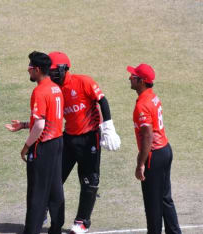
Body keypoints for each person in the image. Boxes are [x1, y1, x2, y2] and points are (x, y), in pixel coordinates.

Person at [48, 51, 121, 233]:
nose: (51, 74)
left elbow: (102, 101)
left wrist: (108, 127)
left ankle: (82, 222)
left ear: (64, 69)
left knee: (90, 181)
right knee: (54, 179)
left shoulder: (83, 81)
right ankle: (47, 214)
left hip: (89, 138)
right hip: (68, 138)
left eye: (54, 71)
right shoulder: (53, 89)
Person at [6, 51, 64, 234]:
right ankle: (55, 229)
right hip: (57, 143)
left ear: (37, 70)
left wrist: (26, 147)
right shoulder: (56, 88)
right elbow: (50, 120)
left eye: (30, 68)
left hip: (43, 146)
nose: (28, 71)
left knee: (36, 194)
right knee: (55, 190)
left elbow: (40, 125)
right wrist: (24, 125)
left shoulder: (39, 91)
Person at [127, 63, 181, 234]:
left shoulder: (142, 104)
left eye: (134, 76)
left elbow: (148, 136)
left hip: (154, 156)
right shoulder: (152, 96)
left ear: (142, 81)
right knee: (165, 199)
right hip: (165, 150)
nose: (130, 78)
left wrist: (140, 163)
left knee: (153, 205)